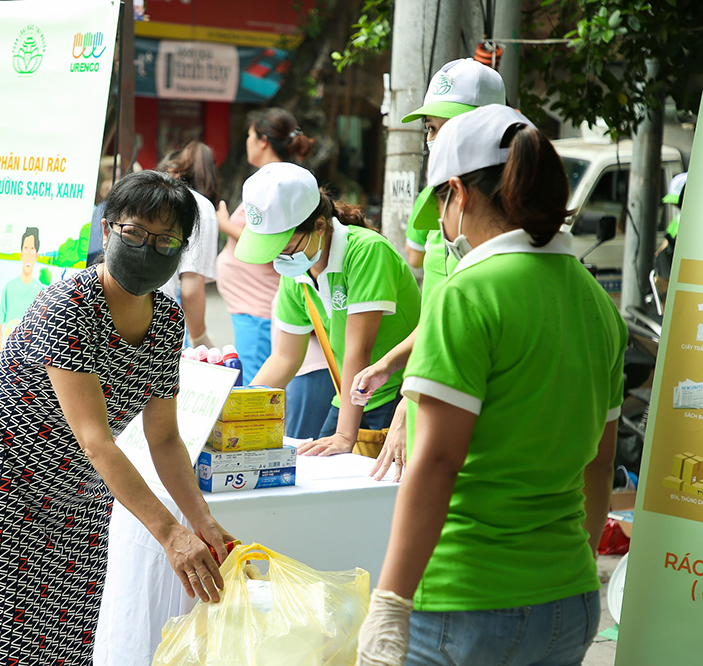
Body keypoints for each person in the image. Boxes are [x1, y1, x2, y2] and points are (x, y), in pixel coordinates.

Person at [356, 105, 626, 666]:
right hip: (570, 599)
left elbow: (435, 464)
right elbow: (599, 466)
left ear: (459, 193)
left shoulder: (466, 294)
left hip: (467, 602)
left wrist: (389, 605)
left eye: (440, 205)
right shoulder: (598, 304)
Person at [0, 171, 235, 665]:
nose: (149, 248)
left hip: (79, 494)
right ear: (107, 230)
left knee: (65, 637)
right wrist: (170, 534)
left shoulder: (166, 320)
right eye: (135, 233)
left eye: (167, 240)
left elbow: (163, 437)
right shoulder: (70, 304)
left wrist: (202, 521)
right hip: (3, 484)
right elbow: (95, 439)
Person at [354, 58, 506, 481]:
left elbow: (466, 324)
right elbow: (440, 314)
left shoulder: (499, 231)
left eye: (444, 128)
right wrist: (391, 366)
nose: (434, 141)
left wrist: (410, 399)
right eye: (430, 130)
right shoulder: (441, 207)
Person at [239, 162, 421, 454]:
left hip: (396, 394)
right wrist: (237, 413)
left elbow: (358, 349)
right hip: (348, 394)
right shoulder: (296, 271)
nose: (277, 259)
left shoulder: (366, 252)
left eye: (283, 247)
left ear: (319, 227)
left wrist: (344, 436)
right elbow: (285, 357)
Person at [216, 107, 315, 384]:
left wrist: (223, 223)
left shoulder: (277, 188)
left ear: (262, 141)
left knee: (259, 389)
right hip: (251, 307)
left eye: (249, 135)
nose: (246, 142)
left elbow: (273, 243)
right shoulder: (268, 183)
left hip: (259, 308)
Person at [158, 141, 220, 348]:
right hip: (159, 319)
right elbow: (191, 288)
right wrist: (200, 339)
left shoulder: (145, 196)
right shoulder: (200, 207)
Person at [0, 227, 51, 348]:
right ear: (21, 254)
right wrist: (2, 352)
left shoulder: (40, 293)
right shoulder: (9, 287)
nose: (28, 255)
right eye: (26, 249)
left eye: (32, 250)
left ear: (36, 255)